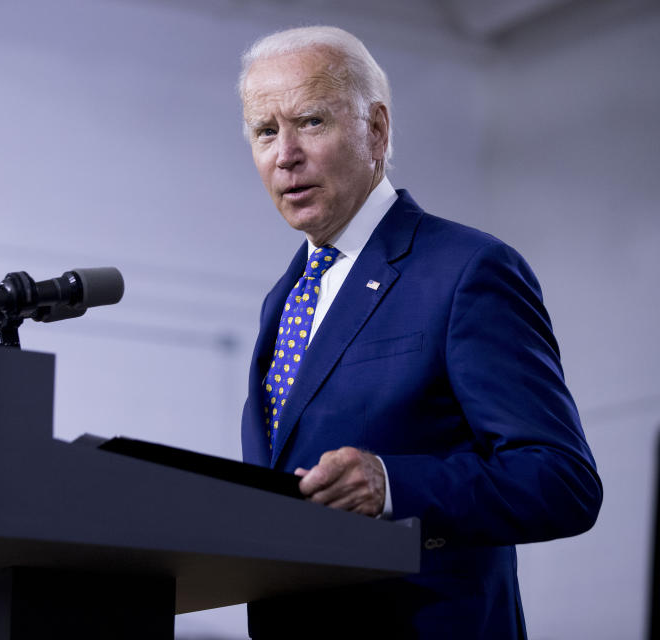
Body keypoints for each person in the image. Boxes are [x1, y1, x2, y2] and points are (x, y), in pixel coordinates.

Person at [238, 26, 602, 638]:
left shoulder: (465, 270)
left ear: (376, 130)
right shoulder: (285, 296)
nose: (285, 154)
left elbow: (561, 479)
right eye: (266, 132)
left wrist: (392, 486)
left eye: (311, 122)